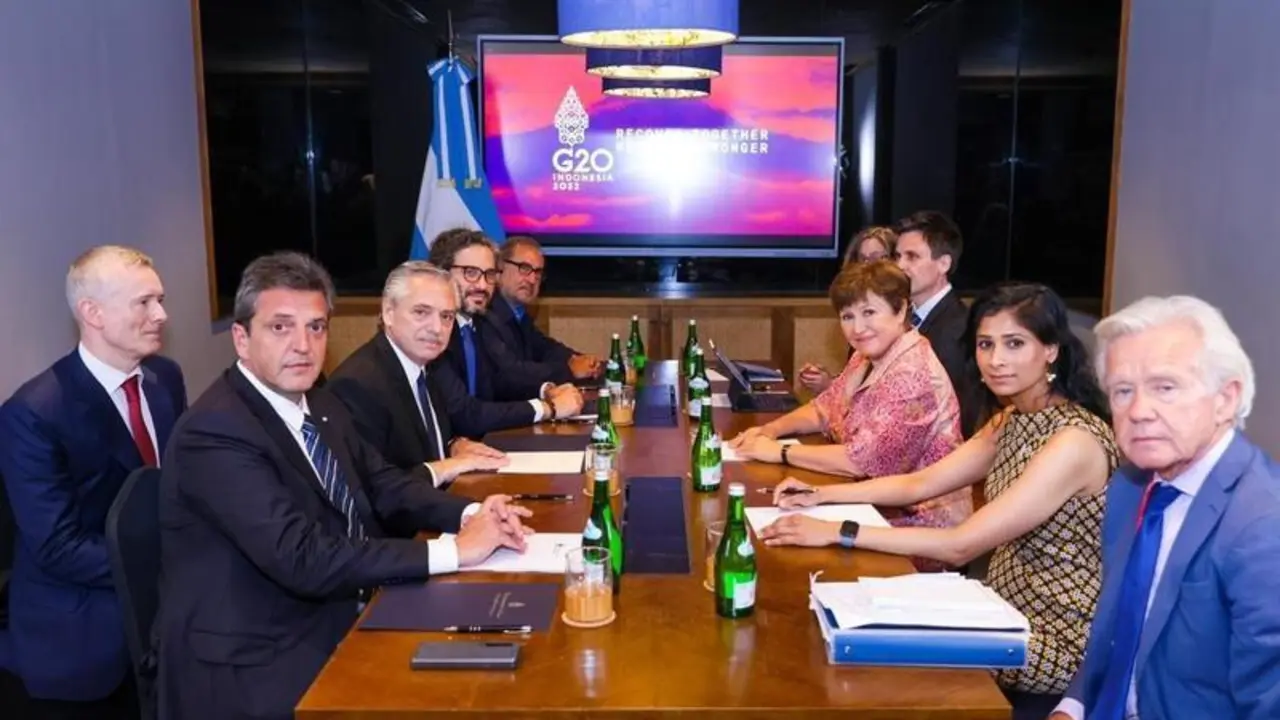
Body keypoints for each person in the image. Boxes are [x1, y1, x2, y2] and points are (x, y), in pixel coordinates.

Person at [156, 252, 534, 720]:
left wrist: (472, 514)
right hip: (256, 657)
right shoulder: (215, 431)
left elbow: (384, 483)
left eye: (316, 327)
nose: (302, 345)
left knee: (502, 669)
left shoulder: (320, 404)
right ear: (241, 338)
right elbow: (302, 557)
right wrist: (455, 551)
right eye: (280, 327)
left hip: (335, 607)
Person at [760, 283, 1119, 719]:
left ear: (1051, 350)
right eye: (986, 344)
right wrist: (820, 495)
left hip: (1051, 640)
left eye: (1014, 343)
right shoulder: (1014, 418)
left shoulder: (1073, 441)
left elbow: (960, 546)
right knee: (839, 630)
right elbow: (919, 484)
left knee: (867, 665)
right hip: (998, 613)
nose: (996, 359)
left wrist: (837, 531)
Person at [1052, 296, 1280, 720]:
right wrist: (1072, 707)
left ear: (1225, 399)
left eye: (1165, 387)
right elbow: (1120, 631)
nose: (1139, 411)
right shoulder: (1128, 487)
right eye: (1123, 391)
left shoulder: (1264, 523)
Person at [0, 246, 186, 719]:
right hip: (81, 643)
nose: (161, 315)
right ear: (92, 313)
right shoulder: (34, 413)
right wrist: (169, 562)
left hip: (164, 624)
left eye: (160, 300)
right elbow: (58, 547)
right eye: (144, 302)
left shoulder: (165, 379)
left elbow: (174, 489)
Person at [727, 261, 971, 569]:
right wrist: (770, 431)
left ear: (900, 311)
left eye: (869, 312)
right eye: (847, 316)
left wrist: (779, 452)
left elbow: (861, 461)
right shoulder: (866, 356)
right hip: (869, 502)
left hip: (917, 530)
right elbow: (823, 408)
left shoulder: (913, 372)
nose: (857, 328)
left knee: (779, 553)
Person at [327, 261, 580, 491]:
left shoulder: (425, 365)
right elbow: (377, 490)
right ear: (388, 312)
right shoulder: (358, 384)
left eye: (446, 316)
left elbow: (419, 444)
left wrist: (453, 445)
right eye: (421, 312)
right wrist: (457, 486)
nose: (437, 328)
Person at [427, 229, 582, 412]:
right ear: (442, 273)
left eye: (489, 274)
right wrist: (547, 408)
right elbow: (465, 413)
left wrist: (545, 390)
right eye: (471, 273)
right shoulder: (434, 333)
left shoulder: (476, 324)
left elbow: (498, 381)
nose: (482, 285)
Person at [893, 210, 978, 435]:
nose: (899, 266)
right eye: (897, 256)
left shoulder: (958, 329)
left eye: (912, 257)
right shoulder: (902, 316)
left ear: (943, 264)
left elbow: (952, 415)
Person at [800, 226, 899, 393]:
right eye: (863, 260)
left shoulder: (900, 318)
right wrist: (829, 382)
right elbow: (858, 385)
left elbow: (875, 396)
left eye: (878, 258)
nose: (869, 266)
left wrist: (830, 387)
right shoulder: (857, 316)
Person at [490, 235, 600, 380]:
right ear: (499, 269)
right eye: (524, 268)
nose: (532, 280)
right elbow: (511, 372)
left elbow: (546, 349)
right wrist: (569, 369)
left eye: (538, 273)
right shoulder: (487, 315)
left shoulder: (519, 314)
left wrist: (581, 360)